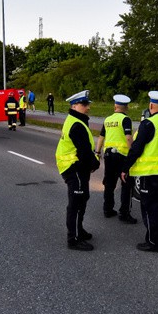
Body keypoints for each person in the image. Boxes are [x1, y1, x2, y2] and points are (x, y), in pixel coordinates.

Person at [121, 91, 158, 252]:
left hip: (150, 173)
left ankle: (153, 241)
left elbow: (136, 149)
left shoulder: (148, 124)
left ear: (151, 105)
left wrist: (126, 168)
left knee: (149, 207)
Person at [56, 90, 100, 251]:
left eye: (87, 104)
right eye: (84, 104)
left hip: (77, 166)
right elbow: (84, 152)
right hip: (73, 166)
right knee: (76, 202)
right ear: (74, 106)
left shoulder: (77, 120)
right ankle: (73, 239)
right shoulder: (76, 124)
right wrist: (95, 163)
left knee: (83, 198)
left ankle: (78, 230)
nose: (88, 107)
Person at [95, 94, 137, 223]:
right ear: (126, 107)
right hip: (122, 156)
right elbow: (128, 137)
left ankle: (108, 209)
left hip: (108, 155)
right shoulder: (125, 119)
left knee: (109, 183)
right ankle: (124, 214)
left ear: (115, 106)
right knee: (126, 184)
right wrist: (133, 152)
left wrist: (97, 152)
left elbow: (101, 137)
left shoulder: (108, 119)